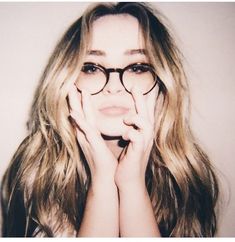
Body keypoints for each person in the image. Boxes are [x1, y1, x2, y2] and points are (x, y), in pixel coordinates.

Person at [1, 2, 219, 237]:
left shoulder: (185, 177)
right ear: (65, 81)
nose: (114, 87)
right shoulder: (38, 172)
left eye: (137, 67)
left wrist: (131, 185)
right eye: (92, 67)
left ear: (164, 85)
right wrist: (103, 181)